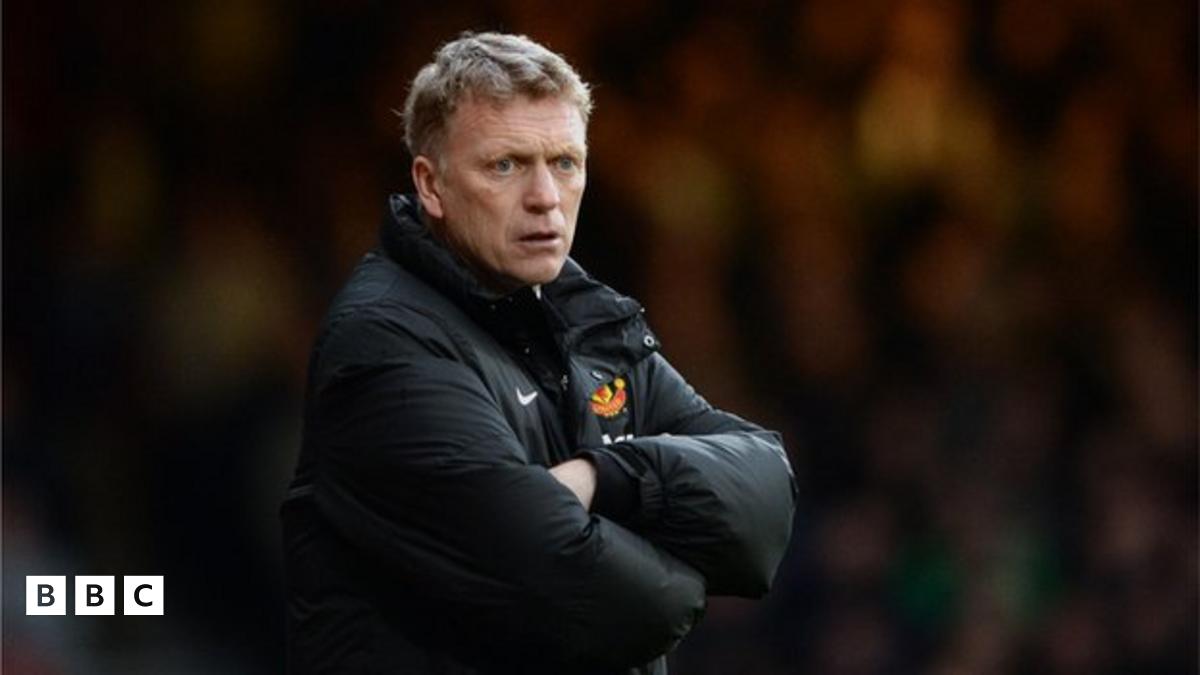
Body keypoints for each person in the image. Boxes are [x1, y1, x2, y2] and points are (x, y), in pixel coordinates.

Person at [281, 32, 797, 675]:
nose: (546, 197)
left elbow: (764, 507)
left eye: (565, 163)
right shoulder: (383, 344)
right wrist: (688, 559)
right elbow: (619, 602)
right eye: (506, 165)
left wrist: (602, 478)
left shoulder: (583, 316)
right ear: (431, 185)